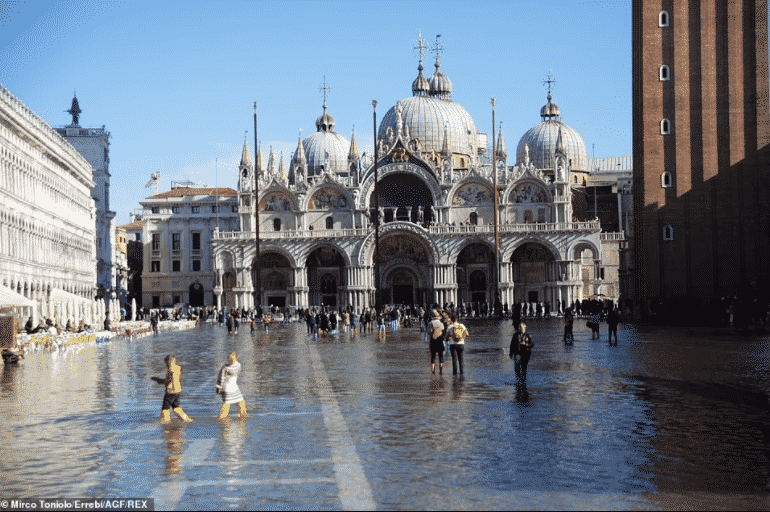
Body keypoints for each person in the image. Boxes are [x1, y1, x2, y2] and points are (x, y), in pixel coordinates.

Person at [151, 355, 193, 423]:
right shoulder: (178, 368)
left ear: (168, 362)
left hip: (170, 392)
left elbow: (167, 382)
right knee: (176, 407)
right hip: (177, 392)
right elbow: (173, 380)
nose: (165, 365)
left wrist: (157, 380)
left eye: (166, 363)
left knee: (165, 409)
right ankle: (186, 419)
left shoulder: (171, 370)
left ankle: (166, 422)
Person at [216, 352, 248, 420]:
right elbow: (220, 379)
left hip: (234, 386)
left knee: (241, 402)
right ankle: (222, 418)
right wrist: (219, 388)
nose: (230, 360)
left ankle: (243, 417)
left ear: (236, 358)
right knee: (227, 403)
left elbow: (234, 373)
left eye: (232, 359)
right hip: (227, 388)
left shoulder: (238, 365)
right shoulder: (225, 368)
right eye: (229, 359)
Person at [510, 322, 534, 391]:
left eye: (521, 327)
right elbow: (512, 344)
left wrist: (526, 345)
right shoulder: (515, 335)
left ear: (525, 328)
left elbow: (532, 344)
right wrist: (511, 353)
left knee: (524, 367)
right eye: (519, 327)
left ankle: (523, 381)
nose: (519, 328)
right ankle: (518, 380)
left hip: (525, 354)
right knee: (517, 367)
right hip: (517, 353)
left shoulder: (528, 336)